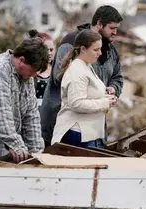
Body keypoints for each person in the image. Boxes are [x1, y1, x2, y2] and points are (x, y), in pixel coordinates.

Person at [39, 5, 124, 147]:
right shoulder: (72, 43)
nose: (115, 32)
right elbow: (61, 78)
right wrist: (100, 96)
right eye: (111, 28)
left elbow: (117, 77)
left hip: (92, 125)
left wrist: (112, 88)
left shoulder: (110, 51)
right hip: (68, 125)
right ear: (99, 24)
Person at [51, 30, 117, 148]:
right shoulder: (77, 71)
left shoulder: (86, 65)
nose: (100, 53)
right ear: (83, 49)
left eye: (100, 49)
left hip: (86, 134)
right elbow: (76, 103)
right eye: (96, 50)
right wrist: (104, 102)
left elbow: (88, 93)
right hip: (77, 134)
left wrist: (104, 93)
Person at [28, 29, 55, 108]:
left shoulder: (56, 69)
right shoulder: (30, 70)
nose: (50, 53)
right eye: (47, 50)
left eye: (51, 50)